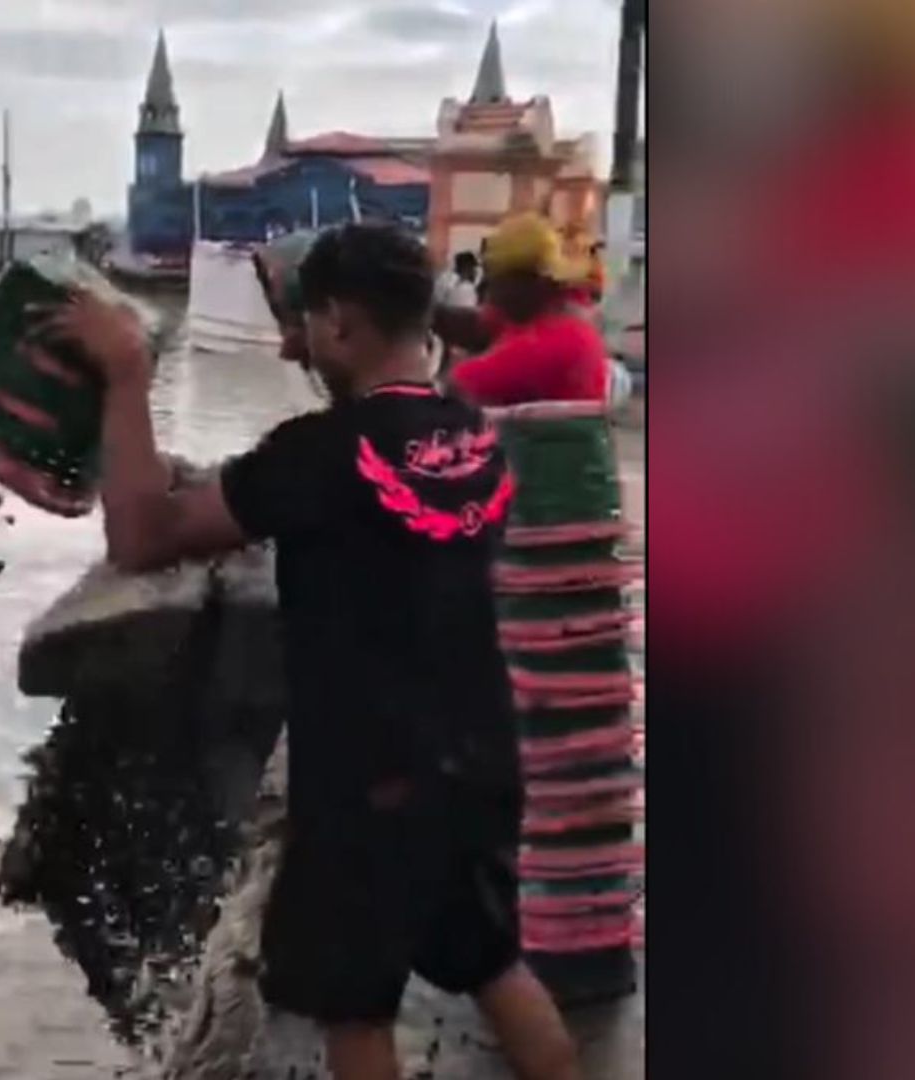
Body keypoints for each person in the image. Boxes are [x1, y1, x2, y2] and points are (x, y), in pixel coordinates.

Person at [34, 223, 580, 1080]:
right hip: (480, 762)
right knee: (495, 967)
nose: (293, 346)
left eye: (304, 324)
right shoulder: (472, 436)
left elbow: (141, 536)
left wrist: (128, 373)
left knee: (354, 1011)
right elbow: (357, 500)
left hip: (371, 788)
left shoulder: (318, 456)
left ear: (340, 323)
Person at [447, 214, 612, 407]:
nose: (488, 291)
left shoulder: (558, 341)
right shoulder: (543, 314)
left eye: (496, 280)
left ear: (530, 282)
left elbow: (458, 385)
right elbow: (479, 325)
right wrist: (426, 311)